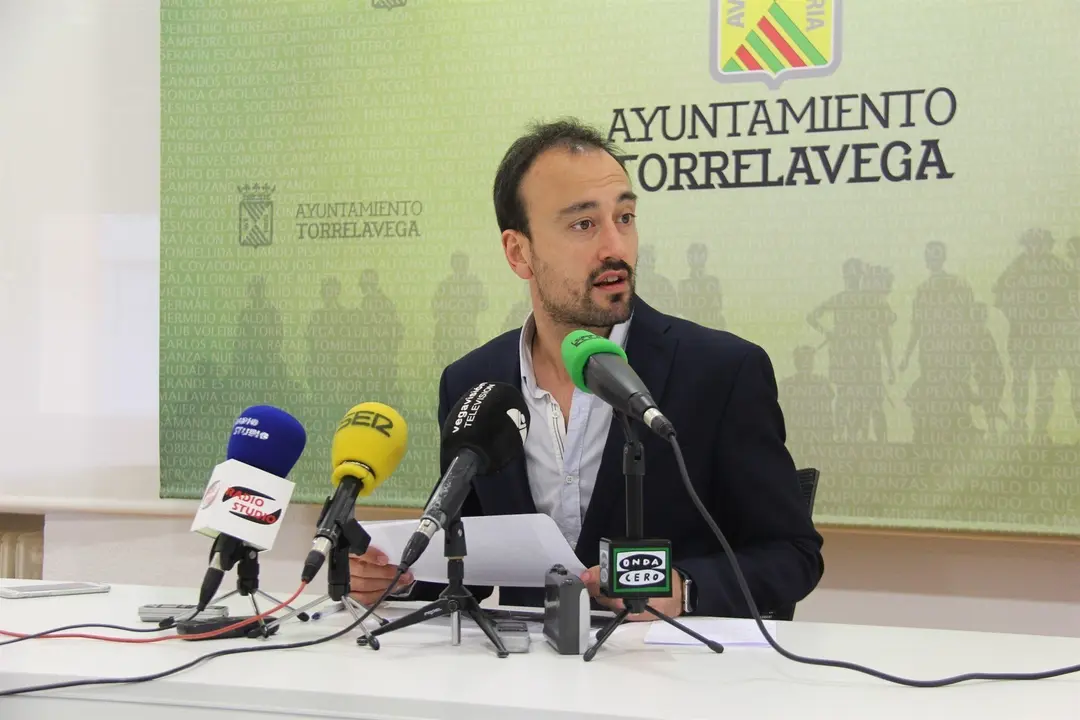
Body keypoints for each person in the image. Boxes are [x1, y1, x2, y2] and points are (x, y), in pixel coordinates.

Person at [350, 119, 824, 620]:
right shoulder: (473, 381)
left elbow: (791, 553)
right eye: (583, 224)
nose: (615, 247)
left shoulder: (721, 372)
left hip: (666, 663)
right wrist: (392, 577)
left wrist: (684, 589)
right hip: (529, 663)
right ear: (519, 252)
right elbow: (463, 557)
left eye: (625, 217)